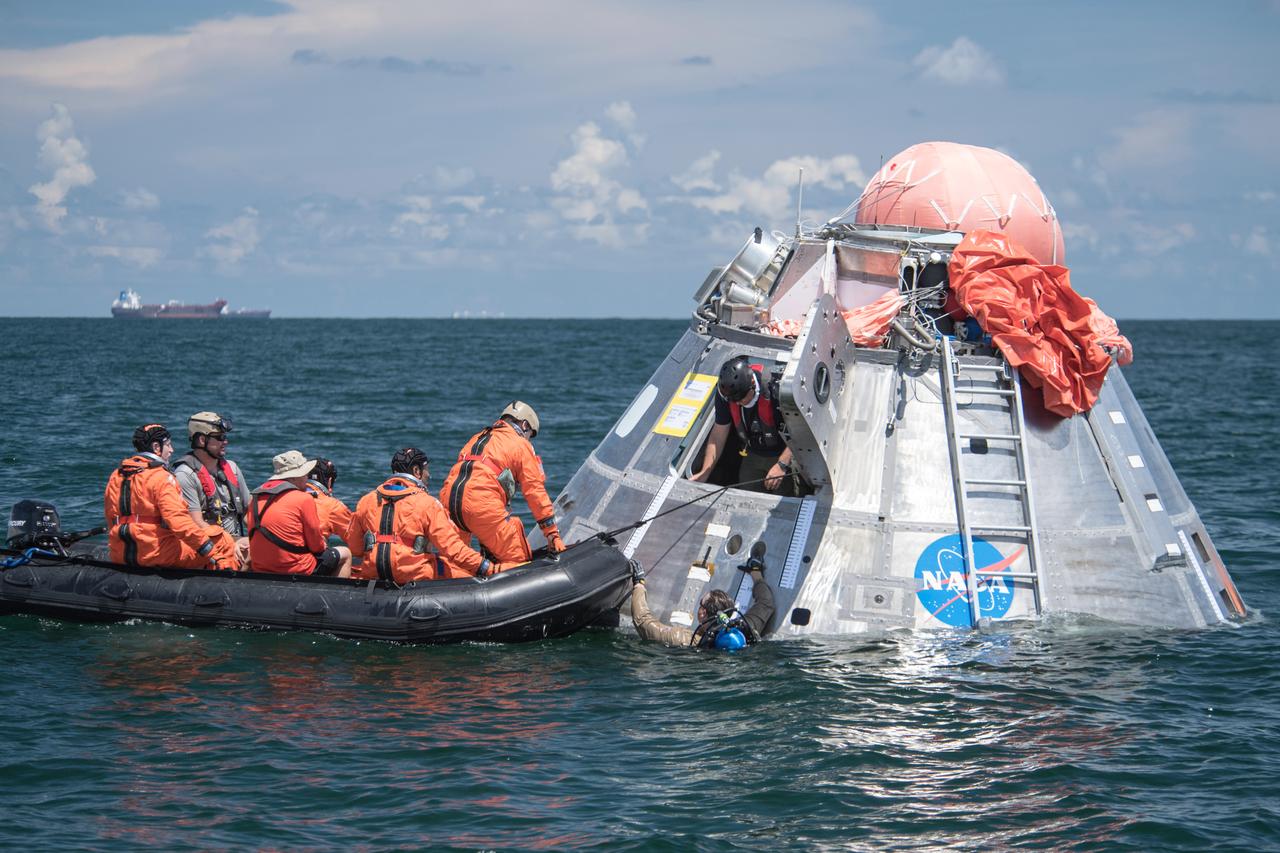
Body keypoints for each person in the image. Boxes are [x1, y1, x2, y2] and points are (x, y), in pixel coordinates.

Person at [346, 448, 500, 583]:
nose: (429, 475)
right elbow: (454, 550)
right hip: (416, 576)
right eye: (426, 470)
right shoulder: (428, 504)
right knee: (464, 573)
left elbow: (356, 548)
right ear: (416, 471)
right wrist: (488, 568)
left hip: (374, 575)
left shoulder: (365, 501)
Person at [440, 401, 565, 563]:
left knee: (458, 562)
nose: (529, 440)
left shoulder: (477, 437)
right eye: (530, 435)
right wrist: (552, 533)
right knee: (517, 559)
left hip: (449, 502)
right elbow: (535, 491)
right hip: (481, 505)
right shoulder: (520, 445)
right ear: (525, 425)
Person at [103, 423, 239, 570]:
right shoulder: (161, 477)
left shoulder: (116, 476)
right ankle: (227, 583)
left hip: (120, 554)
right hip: (157, 555)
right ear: (156, 447)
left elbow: (111, 518)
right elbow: (180, 523)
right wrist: (213, 554)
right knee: (223, 540)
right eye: (168, 445)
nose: (172, 450)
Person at [690, 356, 797, 494]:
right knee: (747, 491)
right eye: (734, 401)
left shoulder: (776, 389)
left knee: (786, 495)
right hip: (753, 452)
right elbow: (719, 433)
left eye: (741, 399)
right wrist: (705, 472)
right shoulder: (726, 394)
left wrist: (782, 465)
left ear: (752, 382)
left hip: (785, 453)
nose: (738, 404)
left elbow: (801, 433)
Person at [628, 552, 774, 649]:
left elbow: (643, 622)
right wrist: (756, 571)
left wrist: (639, 582)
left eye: (700, 604)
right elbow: (766, 603)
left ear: (703, 613)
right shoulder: (745, 629)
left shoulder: (687, 640)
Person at [247, 450, 352, 577]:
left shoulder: (255, 497)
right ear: (294, 477)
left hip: (261, 565)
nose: (307, 478)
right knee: (345, 553)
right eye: (305, 474)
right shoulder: (303, 499)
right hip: (296, 568)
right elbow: (316, 547)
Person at [172, 411, 252, 537]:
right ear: (202, 440)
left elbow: (248, 511)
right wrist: (230, 545)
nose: (225, 442)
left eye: (225, 437)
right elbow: (196, 523)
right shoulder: (185, 475)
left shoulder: (232, 468)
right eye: (220, 437)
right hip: (209, 547)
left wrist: (262, 537)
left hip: (235, 542)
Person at [305, 457, 353, 543]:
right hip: (306, 554)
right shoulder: (332, 506)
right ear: (330, 482)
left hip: (278, 552)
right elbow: (354, 538)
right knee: (347, 553)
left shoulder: (287, 495)